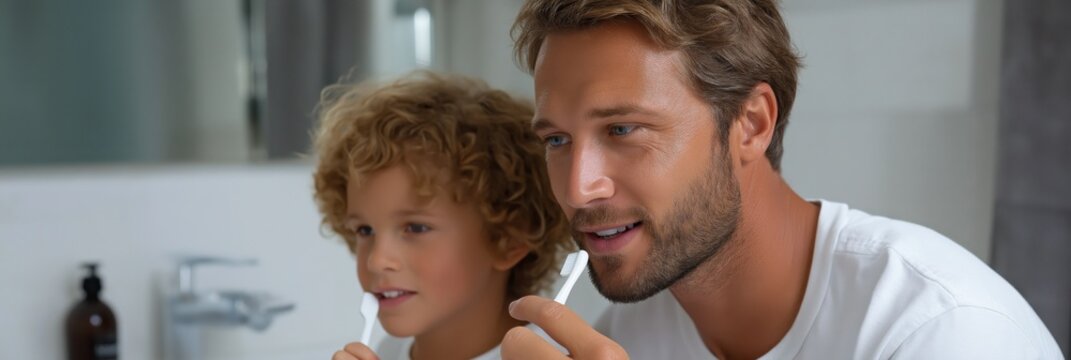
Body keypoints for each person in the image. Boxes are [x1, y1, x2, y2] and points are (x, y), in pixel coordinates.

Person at [500, 0, 1063, 359]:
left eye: (622, 128)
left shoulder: (941, 332)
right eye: (556, 140)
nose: (578, 189)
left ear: (751, 123)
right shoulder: (626, 335)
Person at [312, 72, 574, 360]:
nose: (376, 260)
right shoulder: (390, 351)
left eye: (415, 227)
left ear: (508, 239)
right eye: (364, 230)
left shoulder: (547, 357)